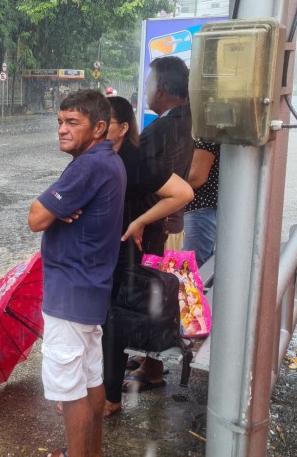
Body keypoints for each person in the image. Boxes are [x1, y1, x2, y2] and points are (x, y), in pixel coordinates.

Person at [28, 89, 126, 457]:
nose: (62, 130)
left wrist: (53, 208)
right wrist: (60, 207)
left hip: (70, 294)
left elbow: (35, 218)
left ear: (99, 127)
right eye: (60, 122)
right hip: (90, 289)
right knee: (90, 381)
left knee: (71, 392)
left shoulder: (88, 166)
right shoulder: (108, 160)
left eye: (73, 122)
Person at [101, 96, 193, 418]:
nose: (98, 127)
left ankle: (111, 397)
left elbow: (183, 193)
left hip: (131, 250)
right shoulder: (105, 156)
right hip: (116, 250)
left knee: (113, 316)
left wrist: (140, 220)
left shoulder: (135, 159)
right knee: (112, 316)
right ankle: (111, 386)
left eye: (106, 122)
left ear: (124, 127)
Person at [123, 55, 194, 393]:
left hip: (156, 226)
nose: (147, 90)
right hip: (170, 223)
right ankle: (149, 359)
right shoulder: (185, 120)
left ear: (162, 89)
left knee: (156, 294)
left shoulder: (164, 126)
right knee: (162, 291)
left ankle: (152, 368)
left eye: (149, 84)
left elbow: (139, 174)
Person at [183, 140, 220, 267]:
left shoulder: (205, 136)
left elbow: (196, 177)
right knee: (195, 267)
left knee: (193, 269)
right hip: (201, 210)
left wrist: (165, 184)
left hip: (199, 209)